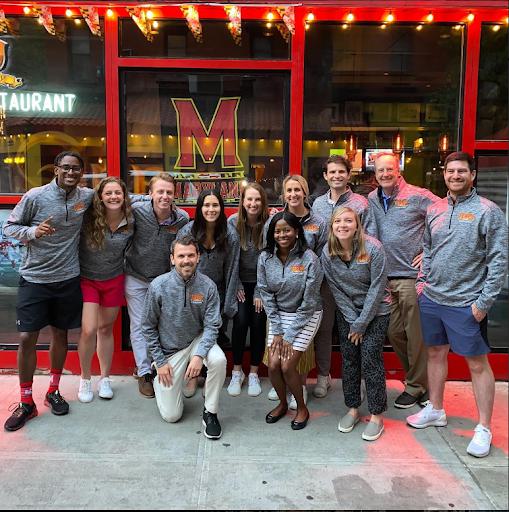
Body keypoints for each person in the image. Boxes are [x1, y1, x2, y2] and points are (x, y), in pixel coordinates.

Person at [407, 151, 508, 458]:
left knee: (477, 364)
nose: (455, 176)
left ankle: (484, 428)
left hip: (467, 303)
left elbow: (499, 259)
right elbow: (427, 247)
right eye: (451, 171)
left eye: (461, 171)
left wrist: (483, 303)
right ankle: (436, 409)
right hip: (433, 298)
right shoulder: (435, 208)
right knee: (436, 354)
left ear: (472, 175)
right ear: (445, 174)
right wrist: (422, 283)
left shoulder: (488, 211)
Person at [4, 151, 94, 432]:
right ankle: (26, 401)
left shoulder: (85, 197)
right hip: (35, 278)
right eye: (65, 168)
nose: (71, 173)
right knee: (26, 336)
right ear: (55, 169)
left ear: (82, 172)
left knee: (61, 334)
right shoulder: (36, 196)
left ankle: (53, 390)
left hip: (68, 278)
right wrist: (32, 233)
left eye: (76, 169)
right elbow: (9, 227)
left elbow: (116, 194)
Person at [366, 152, 440, 409]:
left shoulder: (418, 195)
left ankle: (417, 387)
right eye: (380, 171)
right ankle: (419, 382)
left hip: (411, 278)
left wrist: (429, 251)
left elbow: (446, 215)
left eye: (389, 169)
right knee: (395, 333)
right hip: (386, 279)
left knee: (415, 336)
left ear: (398, 170)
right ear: (375, 174)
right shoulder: (372, 199)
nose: (385, 174)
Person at [141, 236, 227, 439]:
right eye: (181, 256)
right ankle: (159, 380)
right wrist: (160, 362)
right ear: (172, 259)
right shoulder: (158, 286)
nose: (186, 260)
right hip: (170, 350)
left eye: (190, 255)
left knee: (219, 360)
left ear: (198, 257)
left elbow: (213, 325)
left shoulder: (208, 286)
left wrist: (199, 356)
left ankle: (210, 412)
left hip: (197, 340)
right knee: (172, 416)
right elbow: (147, 327)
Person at [321, 207, 391, 441]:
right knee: (350, 359)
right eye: (338, 221)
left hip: (377, 311)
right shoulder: (328, 252)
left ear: (357, 224)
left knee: (371, 358)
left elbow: (377, 288)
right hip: (348, 312)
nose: (343, 225)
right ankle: (352, 408)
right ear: (332, 226)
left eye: (348, 221)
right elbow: (336, 290)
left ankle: (376, 415)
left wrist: (361, 324)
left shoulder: (373, 248)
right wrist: (353, 320)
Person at [124, 173, 189, 398]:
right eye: (159, 191)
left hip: (162, 280)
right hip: (136, 275)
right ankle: (144, 373)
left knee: (164, 324)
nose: (164, 196)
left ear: (175, 195)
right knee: (140, 324)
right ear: (150, 193)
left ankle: (161, 365)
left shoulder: (181, 218)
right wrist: (140, 199)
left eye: (169, 192)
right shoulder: (138, 211)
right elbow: (120, 198)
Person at [311, 155, 371, 398]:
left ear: (349, 175)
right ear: (325, 176)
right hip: (325, 278)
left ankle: (362, 378)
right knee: (325, 329)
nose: (336, 176)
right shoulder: (317, 204)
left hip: (353, 278)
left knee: (355, 327)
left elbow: (370, 238)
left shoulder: (361, 204)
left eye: (341, 172)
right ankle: (324, 376)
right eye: (331, 172)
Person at [265, 175, 327, 409]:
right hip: (281, 297)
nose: (293, 194)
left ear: (305, 192)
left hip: (310, 292)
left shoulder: (319, 222)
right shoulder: (274, 220)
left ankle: (299, 386)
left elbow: (323, 255)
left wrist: (311, 285)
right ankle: (281, 384)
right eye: (288, 190)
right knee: (277, 351)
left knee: (301, 346)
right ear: (283, 194)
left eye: (297, 189)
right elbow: (267, 256)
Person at [258, 211, 323, 430]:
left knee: (287, 365)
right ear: (272, 233)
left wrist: (289, 334)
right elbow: (266, 293)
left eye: (287, 230)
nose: (282, 234)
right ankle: (283, 404)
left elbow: (310, 301)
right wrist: (277, 329)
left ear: (296, 232)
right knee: (273, 365)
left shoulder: (310, 259)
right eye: (278, 231)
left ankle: (302, 408)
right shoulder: (265, 258)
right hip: (278, 315)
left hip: (307, 315)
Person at [177, 189, 240, 397]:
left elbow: (232, 269)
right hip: (191, 290)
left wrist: (229, 302)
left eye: (215, 205)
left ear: (221, 208)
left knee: (215, 335)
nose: (211, 209)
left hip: (218, 292)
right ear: (199, 208)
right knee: (193, 334)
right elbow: (179, 263)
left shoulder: (230, 234)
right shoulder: (188, 232)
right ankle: (192, 377)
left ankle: (210, 378)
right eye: (206, 205)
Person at [77, 177, 134, 403]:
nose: (113, 197)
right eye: (108, 193)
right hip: (88, 279)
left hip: (114, 279)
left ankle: (105, 378)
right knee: (89, 329)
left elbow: (146, 198)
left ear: (124, 196)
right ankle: (85, 378)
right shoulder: (88, 217)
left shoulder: (131, 219)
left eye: (117, 193)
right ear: (99, 197)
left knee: (105, 329)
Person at [227, 183, 268, 397]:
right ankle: (237, 371)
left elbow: (270, 260)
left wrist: (261, 290)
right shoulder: (233, 223)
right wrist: (237, 285)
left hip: (262, 284)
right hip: (240, 282)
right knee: (241, 321)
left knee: (258, 322)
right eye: (249, 199)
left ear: (263, 202)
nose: (253, 204)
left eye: (257, 200)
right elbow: (230, 260)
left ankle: (253, 372)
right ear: (242, 201)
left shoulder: (269, 224)